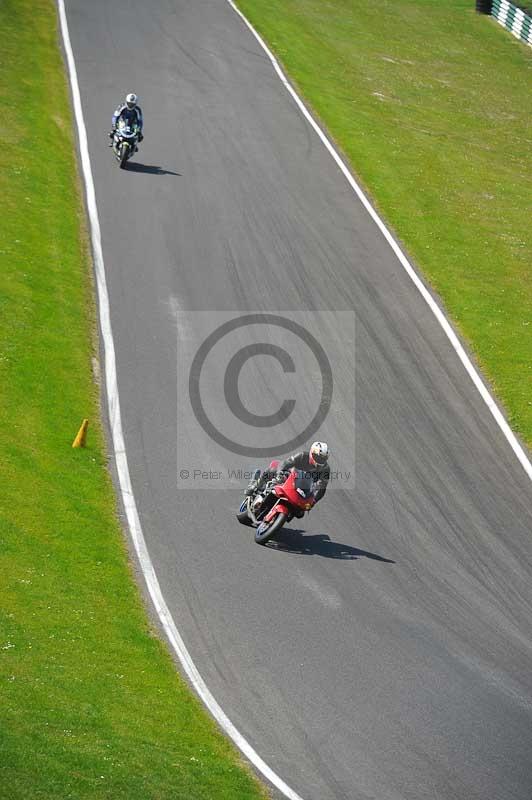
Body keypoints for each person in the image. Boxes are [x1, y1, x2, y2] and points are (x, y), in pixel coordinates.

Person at [246, 442, 330, 504]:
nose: (320, 460)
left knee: (300, 512)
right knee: (273, 470)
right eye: (318, 457)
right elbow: (285, 463)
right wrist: (280, 474)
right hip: (289, 477)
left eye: (322, 458)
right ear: (312, 453)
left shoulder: (325, 469)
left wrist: (314, 501)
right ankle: (255, 485)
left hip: (304, 488)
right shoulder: (302, 455)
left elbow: (322, 487)